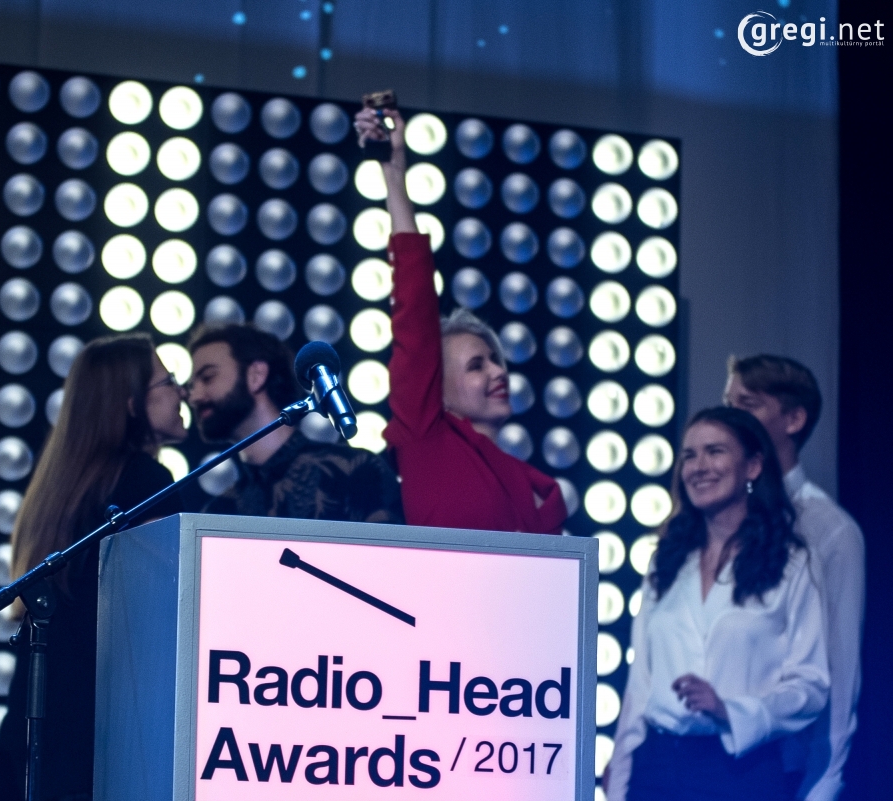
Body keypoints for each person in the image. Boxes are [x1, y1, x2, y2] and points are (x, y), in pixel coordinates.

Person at [0, 333, 188, 800]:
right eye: (167, 381)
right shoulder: (145, 482)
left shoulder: (62, 487)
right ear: (132, 403)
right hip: (98, 720)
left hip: (41, 708)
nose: (181, 392)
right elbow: (162, 610)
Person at [353, 106, 566, 534]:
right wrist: (394, 172)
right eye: (475, 365)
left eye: (495, 360)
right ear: (438, 391)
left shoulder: (528, 482)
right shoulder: (426, 436)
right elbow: (415, 303)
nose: (498, 371)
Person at [607, 407, 829, 801]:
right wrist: (621, 770)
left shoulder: (792, 564)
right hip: (657, 765)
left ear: (753, 466)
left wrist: (731, 710)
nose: (698, 467)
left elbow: (810, 685)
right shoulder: (667, 559)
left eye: (714, 451)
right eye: (689, 455)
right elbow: (640, 685)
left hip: (741, 772)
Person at [725, 355, 864, 801]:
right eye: (727, 404)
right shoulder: (716, 514)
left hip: (780, 768)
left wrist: (824, 784)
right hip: (701, 760)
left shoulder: (828, 529)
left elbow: (840, 669)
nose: (730, 417)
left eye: (747, 404)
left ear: (794, 419)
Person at [186, 323, 402, 522]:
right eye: (192, 385)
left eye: (208, 377)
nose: (194, 397)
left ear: (256, 375)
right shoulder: (220, 511)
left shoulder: (356, 470)